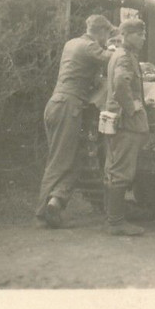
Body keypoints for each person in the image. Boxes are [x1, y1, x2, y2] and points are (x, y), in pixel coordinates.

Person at [34, 14, 115, 229]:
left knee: (73, 158)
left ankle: (56, 201)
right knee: (59, 161)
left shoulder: (72, 43)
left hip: (56, 103)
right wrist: (118, 49)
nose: (107, 39)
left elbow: (88, 72)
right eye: (108, 34)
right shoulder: (89, 46)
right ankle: (42, 213)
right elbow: (110, 59)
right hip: (69, 105)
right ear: (101, 32)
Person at [102, 17, 150, 236]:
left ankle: (115, 216)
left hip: (118, 117)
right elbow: (121, 83)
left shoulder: (121, 55)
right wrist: (132, 109)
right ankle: (116, 221)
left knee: (114, 166)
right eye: (139, 34)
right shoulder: (124, 57)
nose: (143, 38)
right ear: (127, 35)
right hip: (125, 121)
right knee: (121, 169)